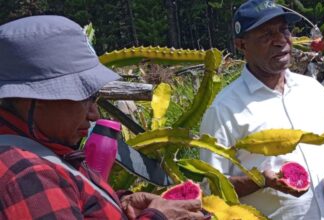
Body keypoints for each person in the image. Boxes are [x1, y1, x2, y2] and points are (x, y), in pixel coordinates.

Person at [0, 15, 204, 220]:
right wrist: (157, 217)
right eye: (84, 98)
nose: (94, 114)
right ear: (32, 99)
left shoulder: (41, 149)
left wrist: (119, 202)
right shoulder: (27, 176)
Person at [199, 0, 324, 219]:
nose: (280, 40)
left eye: (284, 29)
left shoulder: (314, 90)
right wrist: (260, 181)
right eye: (266, 34)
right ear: (241, 45)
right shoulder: (224, 109)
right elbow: (212, 188)